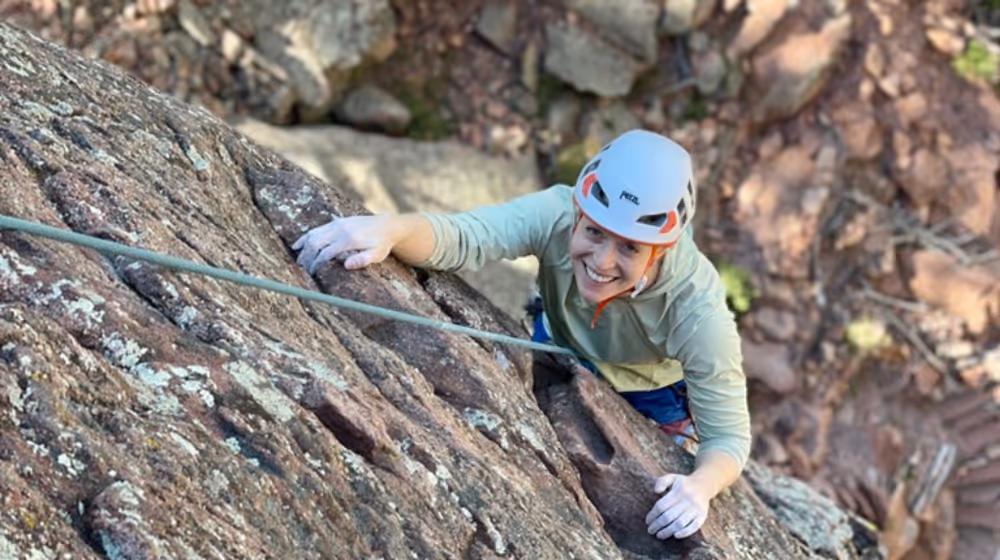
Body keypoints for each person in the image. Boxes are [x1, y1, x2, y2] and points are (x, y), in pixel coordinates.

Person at [293, 129, 751, 540]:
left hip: (652, 391)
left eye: (629, 246)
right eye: (593, 231)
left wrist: (700, 486)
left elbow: (728, 438)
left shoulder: (697, 309)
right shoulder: (555, 211)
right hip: (555, 339)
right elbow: (464, 237)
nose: (602, 261)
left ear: (662, 248)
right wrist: (392, 229)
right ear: (579, 210)